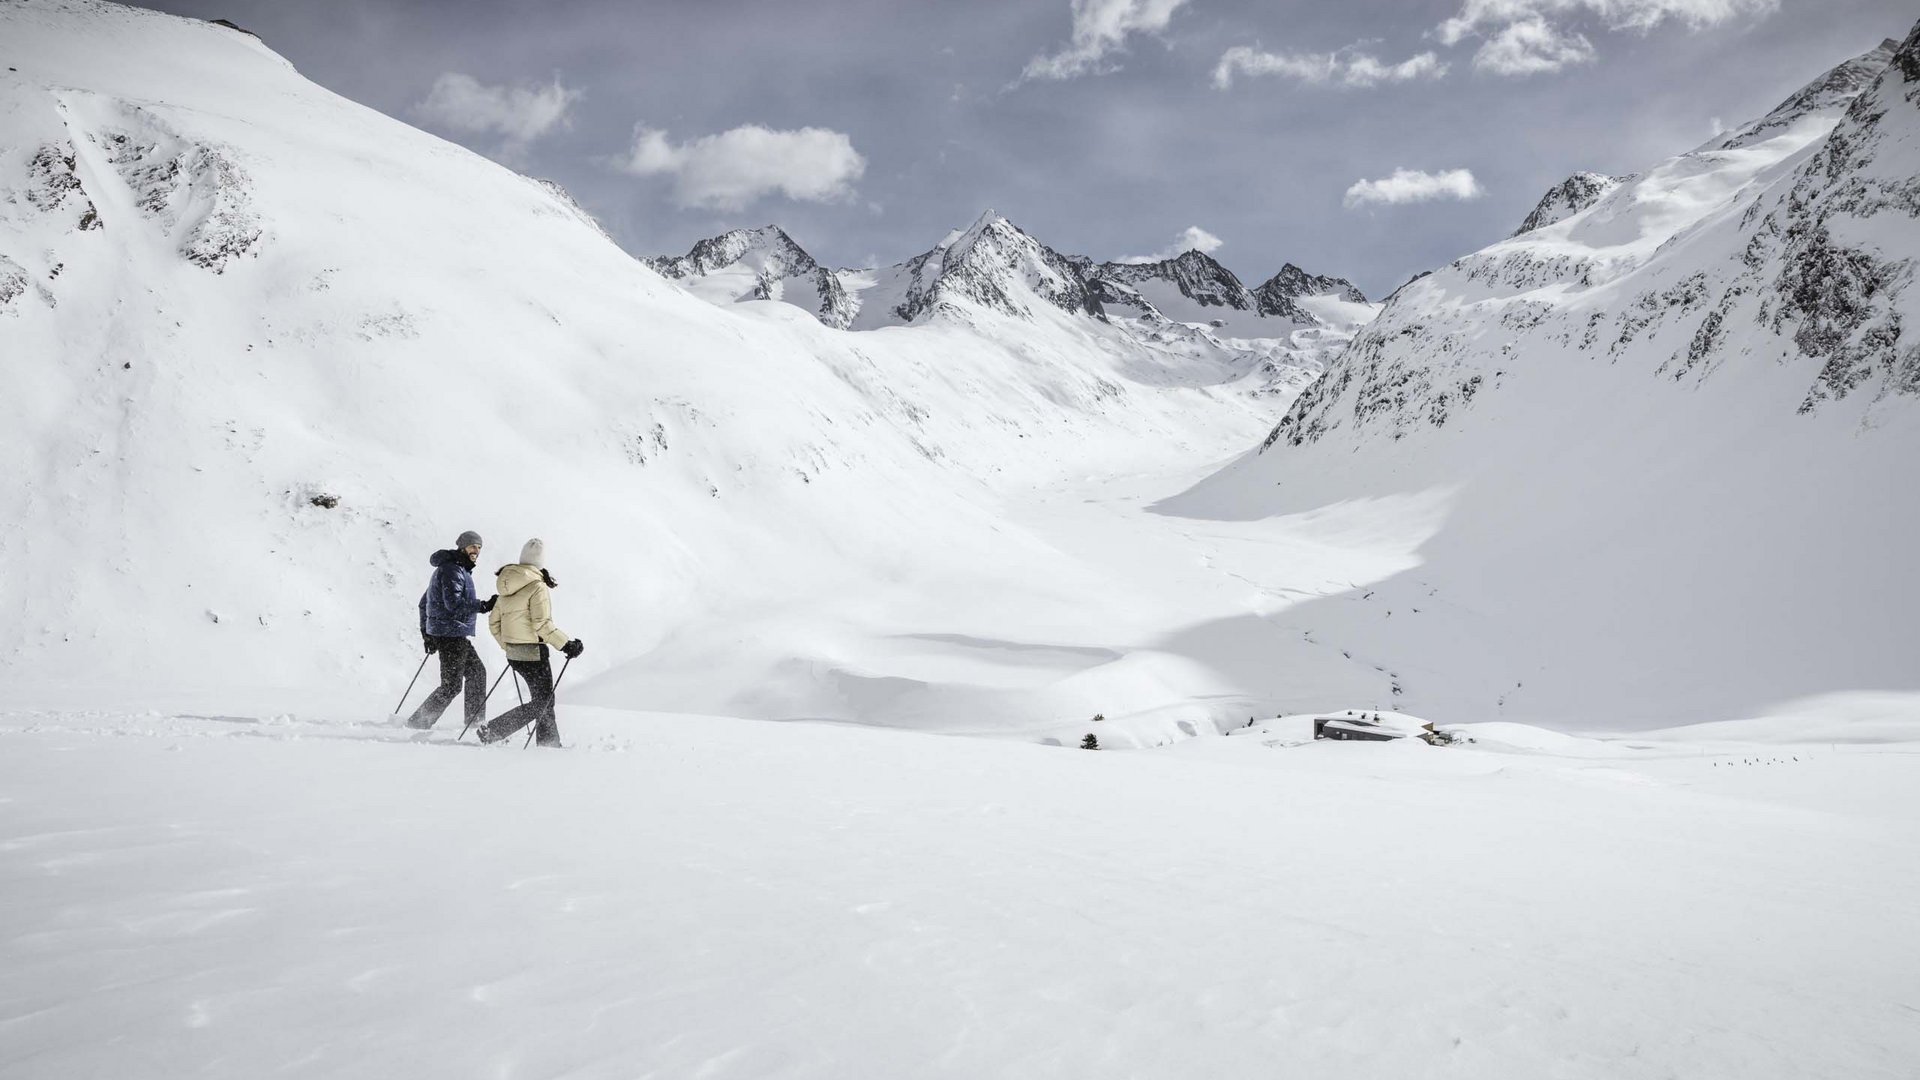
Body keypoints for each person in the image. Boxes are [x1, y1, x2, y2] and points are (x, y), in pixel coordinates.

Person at [476, 538, 583, 747]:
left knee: (543, 700)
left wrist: (508, 645)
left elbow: (493, 623)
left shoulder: (506, 585)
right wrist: (566, 645)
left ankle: (549, 744)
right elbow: (542, 624)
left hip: (515, 655)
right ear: (540, 563)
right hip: (534, 654)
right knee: (543, 702)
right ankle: (494, 730)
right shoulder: (537, 586)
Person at [405, 530, 497, 730]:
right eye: (473, 546)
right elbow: (452, 604)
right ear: (463, 547)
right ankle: (418, 723)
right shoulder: (452, 570)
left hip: (450, 633)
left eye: (479, 547)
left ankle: (474, 722)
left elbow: (424, 603)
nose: (476, 551)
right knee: (452, 685)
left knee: (477, 674)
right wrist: (483, 606)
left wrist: (427, 634)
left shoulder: (455, 569)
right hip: (450, 634)